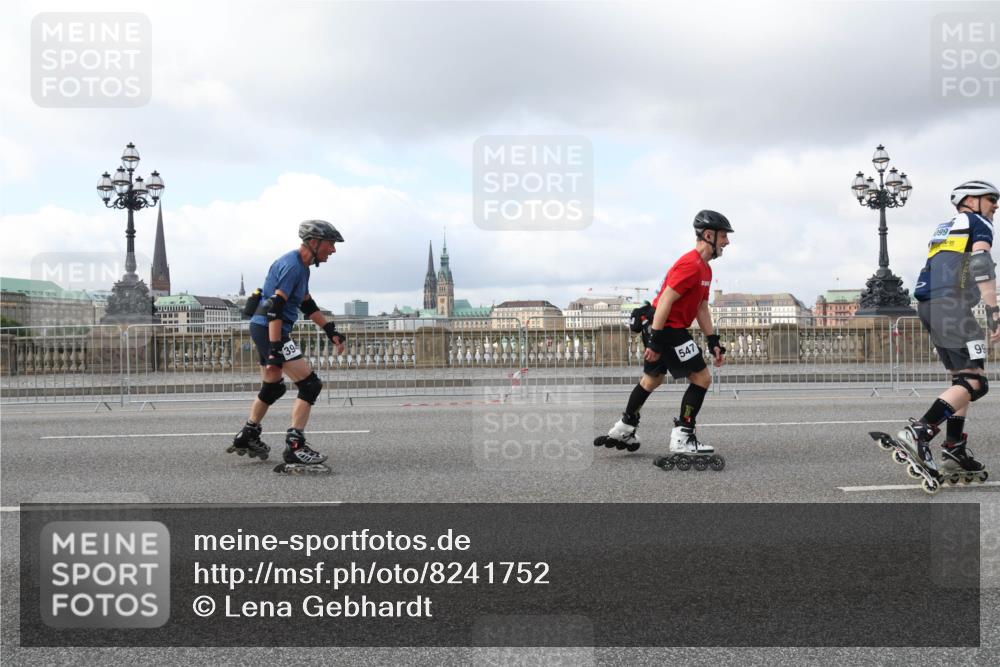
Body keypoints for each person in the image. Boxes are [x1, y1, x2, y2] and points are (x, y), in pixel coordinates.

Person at [596, 210, 732, 467]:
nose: (727, 242)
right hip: (666, 328)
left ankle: (625, 425)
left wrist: (713, 340)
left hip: (662, 327)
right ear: (709, 235)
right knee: (702, 379)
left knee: (651, 379)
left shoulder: (705, 270)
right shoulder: (690, 264)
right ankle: (683, 436)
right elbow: (667, 299)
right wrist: (657, 341)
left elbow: (701, 308)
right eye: (724, 236)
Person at [899, 180, 999, 478]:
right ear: (971, 199)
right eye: (991, 199)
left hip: (933, 305)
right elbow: (981, 262)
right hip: (952, 306)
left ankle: (954, 447)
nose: (996, 205)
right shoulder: (977, 221)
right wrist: (994, 310)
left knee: (965, 381)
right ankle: (920, 431)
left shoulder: (947, 226)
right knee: (975, 383)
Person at [228, 220, 347, 470]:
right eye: (331, 244)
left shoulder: (301, 266)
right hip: (272, 329)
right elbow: (275, 310)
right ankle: (295, 446)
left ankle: (248, 434)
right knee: (310, 384)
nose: (333, 250)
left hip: (263, 328)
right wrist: (274, 350)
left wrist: (329, 329)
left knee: (273, 387)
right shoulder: (294, 267)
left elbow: (306, 304)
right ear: (314, 243)